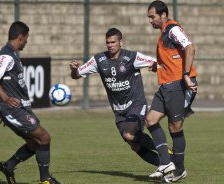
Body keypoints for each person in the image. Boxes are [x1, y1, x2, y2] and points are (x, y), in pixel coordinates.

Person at [70, 28, 161, 167]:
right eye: (108, 42)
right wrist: (74, 69)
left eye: (113, 42)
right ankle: (164, 165)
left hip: (136, 104)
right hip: (119, 111)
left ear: (121, 42)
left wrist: (155, 65)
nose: (110, 45)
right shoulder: (99, 60)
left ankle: (165, 151)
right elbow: (76, 75)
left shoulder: (132, 57)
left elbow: (156, 62)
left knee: (128, 135)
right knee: (134, 145)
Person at [0, 21, 60, 184]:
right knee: (44, 137)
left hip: (20, 108)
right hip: (12, 109)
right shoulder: (6, 55)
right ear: (20, 37)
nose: (27, 42)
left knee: (34, 143)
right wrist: (6, 98)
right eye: (26, 38)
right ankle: (45, 180)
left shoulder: (13, 54)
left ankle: (9, 166)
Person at [146, 0, 198, 182]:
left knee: (175, 127)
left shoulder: (173, 29)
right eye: (149, 17)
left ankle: (179, 170)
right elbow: (172, 58)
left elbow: (190, 48)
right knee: (150, 120)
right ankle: (167, 162)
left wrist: (186, 74)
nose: (150, 20)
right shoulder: (163, 34)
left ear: (163, 15)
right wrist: (158, 66)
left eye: (152, 17)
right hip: (166, 85)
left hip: (178, 84)